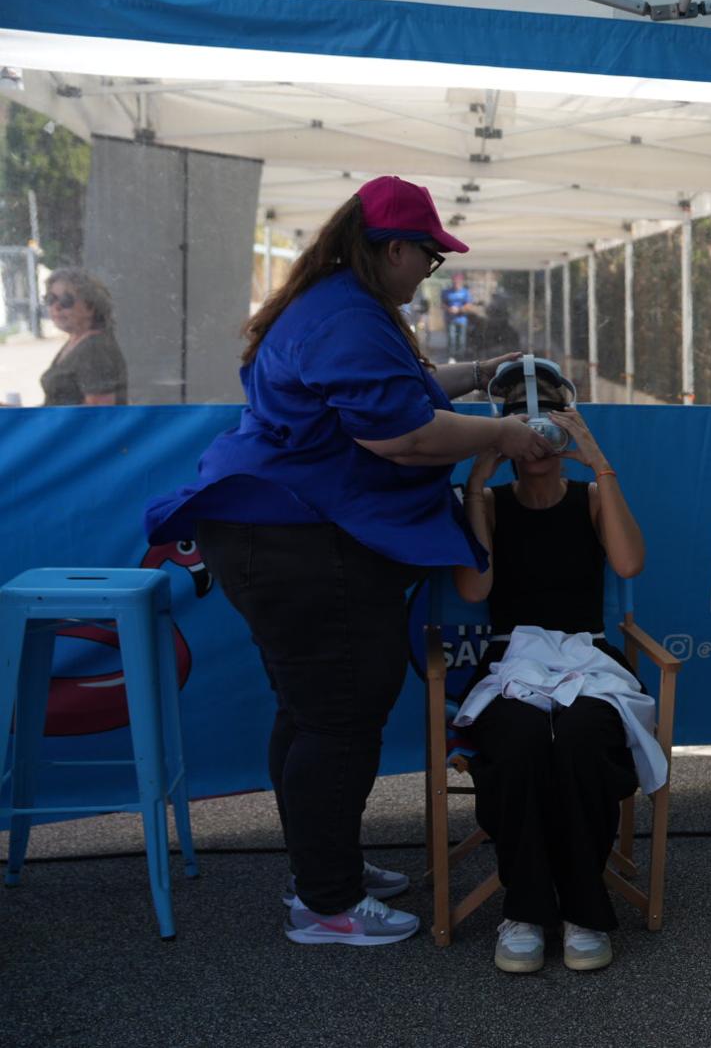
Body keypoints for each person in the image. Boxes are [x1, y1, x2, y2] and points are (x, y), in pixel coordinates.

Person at [144, 175, 543, 947]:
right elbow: (404, 435)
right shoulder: (348, 317)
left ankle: (320, 868)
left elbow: (402, 395)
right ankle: (327, 901)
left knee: (310, 712)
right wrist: (503, 434)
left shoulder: (335, 302)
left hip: (276, 529)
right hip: (296, 539)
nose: (430, 271)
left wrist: (477, 372)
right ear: (392, 249)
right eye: (428, 257)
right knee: (340, 716)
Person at [451, 359, 655, 975]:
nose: (538, 441)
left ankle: (582, 911)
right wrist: (478, 480)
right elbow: (474, 588)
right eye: (522, 425)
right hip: (511, 658)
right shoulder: (490, 502)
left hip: (587, 656)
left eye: (549, 424)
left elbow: (629, 564)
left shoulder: (589, 497)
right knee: (517, 741)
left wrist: (596, 459)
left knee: (583, 736)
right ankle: (524, 908)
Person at [39, 268, 127, 405]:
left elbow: (99, 410)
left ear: (90, 307)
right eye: (51, 299)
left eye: (66, 301)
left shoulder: (95, 349)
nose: (56, 307)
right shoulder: (75, 342)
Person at [443, 272, 473, 362]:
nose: (456, 283)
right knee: (451, 339)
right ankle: (451, 357)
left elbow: (469, 305)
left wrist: (459, 309)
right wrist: (449, 309)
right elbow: (442, 304)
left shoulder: (465, 292)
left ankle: (460, 357)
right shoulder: (446, 292)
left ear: (461, 282)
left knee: (461, 340)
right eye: (454, 281)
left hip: (462, 320)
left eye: (458, 281)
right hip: (450, 319)